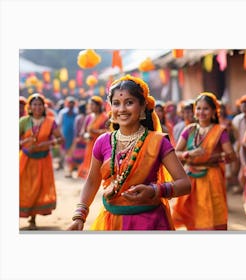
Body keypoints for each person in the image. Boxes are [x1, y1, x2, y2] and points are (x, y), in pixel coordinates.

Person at [67, 74, 191, 231]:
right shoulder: (102, 141)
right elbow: (92, 181)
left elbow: (185, 184)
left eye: (129, 103)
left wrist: (154, 190)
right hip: (111, 222)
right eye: (116, 103)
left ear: (142, 106)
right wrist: (80, 215)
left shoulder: (158, 142)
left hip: (149, 223)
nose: (122, 109)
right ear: (110, 107)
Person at [171, 92, 236, 230]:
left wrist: (217, 157)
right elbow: (175, 154)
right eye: (198, 108)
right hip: (191, 178)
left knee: (211, 214)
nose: (201, 112)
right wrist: (190, 153)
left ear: (214, 111)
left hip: (212, 178)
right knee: (193, 215)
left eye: (206, 108)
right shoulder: (189, 130)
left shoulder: (220, 131)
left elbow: (231, 155)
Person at [19, 93, 63, 230]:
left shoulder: (50, 122)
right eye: (34, 104)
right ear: (30, 107)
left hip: (43, 160)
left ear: (44, 107)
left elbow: (60, 139)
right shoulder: (23, 121)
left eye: (40, 104)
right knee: (23, 187)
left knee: (38, 188)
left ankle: (33, 219)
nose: (37, 107)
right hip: (25, 159)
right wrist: (23, 142)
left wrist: (49, 143)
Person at [77, 95, 109, 179]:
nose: (90, 106)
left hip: (100, 144)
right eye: (90, 104)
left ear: (99, 106)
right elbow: (83, 131)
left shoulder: (105, 117)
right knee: (89, 160)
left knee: (98, 162)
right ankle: (90, 178)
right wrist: (85, 135)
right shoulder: (89, 117)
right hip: (90, 143)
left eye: (92, 105)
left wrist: (95, 132)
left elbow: (109, 131)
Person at [231, 94, 246, 194]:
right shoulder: (237, 119)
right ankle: (245, 189)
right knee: (237, 169)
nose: (244, 107)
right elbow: (235, 134)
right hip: (241, 147)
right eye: (243, 105)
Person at [57, 96, 78, 177]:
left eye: (72, 103)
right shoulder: (62, 113)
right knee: (65, 155)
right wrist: (59, 136)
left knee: (71, 155)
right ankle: (67, 171)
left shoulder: (76, 113)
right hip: (64, 137)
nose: (71, 105)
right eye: (69, 103)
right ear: (67, 104)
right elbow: (58, 125)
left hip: (73, 137)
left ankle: (70, 171)